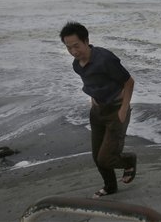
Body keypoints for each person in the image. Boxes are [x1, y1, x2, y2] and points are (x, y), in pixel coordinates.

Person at [60, 21, 136, 198]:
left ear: (86, 41)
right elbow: (92, 82)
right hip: (97, 111)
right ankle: (110, 187)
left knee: (106, 158)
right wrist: (93, 98)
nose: (73, 51)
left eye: (76, 46)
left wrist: (124, 109)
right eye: (68, 47)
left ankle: (129, 160)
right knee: (97, 156)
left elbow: (129, 82)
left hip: (116, 110)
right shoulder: (77, 64)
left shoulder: (105, 59)